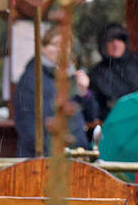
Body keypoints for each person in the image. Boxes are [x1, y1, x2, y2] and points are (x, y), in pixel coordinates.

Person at [13, 26, 98, 158]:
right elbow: (27, 125)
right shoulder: (31, 79)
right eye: (55, 44)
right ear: (43, 48)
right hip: (45, 160)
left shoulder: (72, 77)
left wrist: (84, 93)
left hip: (76, 156)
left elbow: (92, 116)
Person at [88, 23, 138, 122]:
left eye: (119, 39)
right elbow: (95, 109)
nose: (116, 44)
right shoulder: (97, 74)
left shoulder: (136, 62)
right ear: (103, 44)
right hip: (115, 124)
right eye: (110, 40)